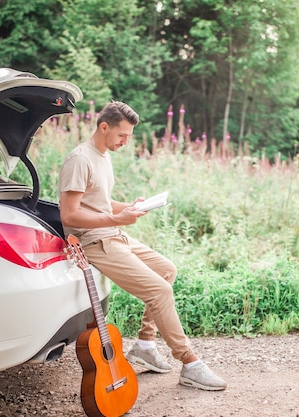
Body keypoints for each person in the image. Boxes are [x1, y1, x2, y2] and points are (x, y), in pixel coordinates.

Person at [58, 101, 227, 391]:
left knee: (166, 271)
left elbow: (98, 201)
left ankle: (145, 345)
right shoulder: (80, 160)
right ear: (104, 127)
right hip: (94, 242)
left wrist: (129, 208)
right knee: (160, 290)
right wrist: (115, 218)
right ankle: (189, 362)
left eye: (129, 136)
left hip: (113, 234)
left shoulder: (103, 156)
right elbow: (69, 214)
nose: (126, 141)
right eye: (122, 135)